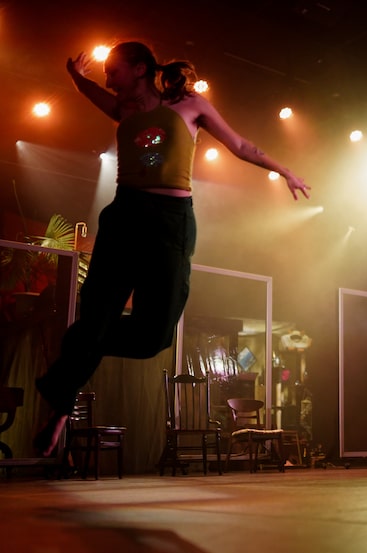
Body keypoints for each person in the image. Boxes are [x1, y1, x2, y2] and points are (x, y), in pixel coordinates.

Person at [33, 41, 311, 456]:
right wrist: (77, 78)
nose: (109, 80)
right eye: (106, 76)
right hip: (125, 214)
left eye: (115, 72)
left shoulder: (190, 105)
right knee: (96, 314)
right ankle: (59, 404)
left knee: (153, 337)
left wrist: (283, 169)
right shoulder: (123, 110)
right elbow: (93, 94)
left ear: (141, 69)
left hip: (170, 221)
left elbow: (239, 145)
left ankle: (84, 342)